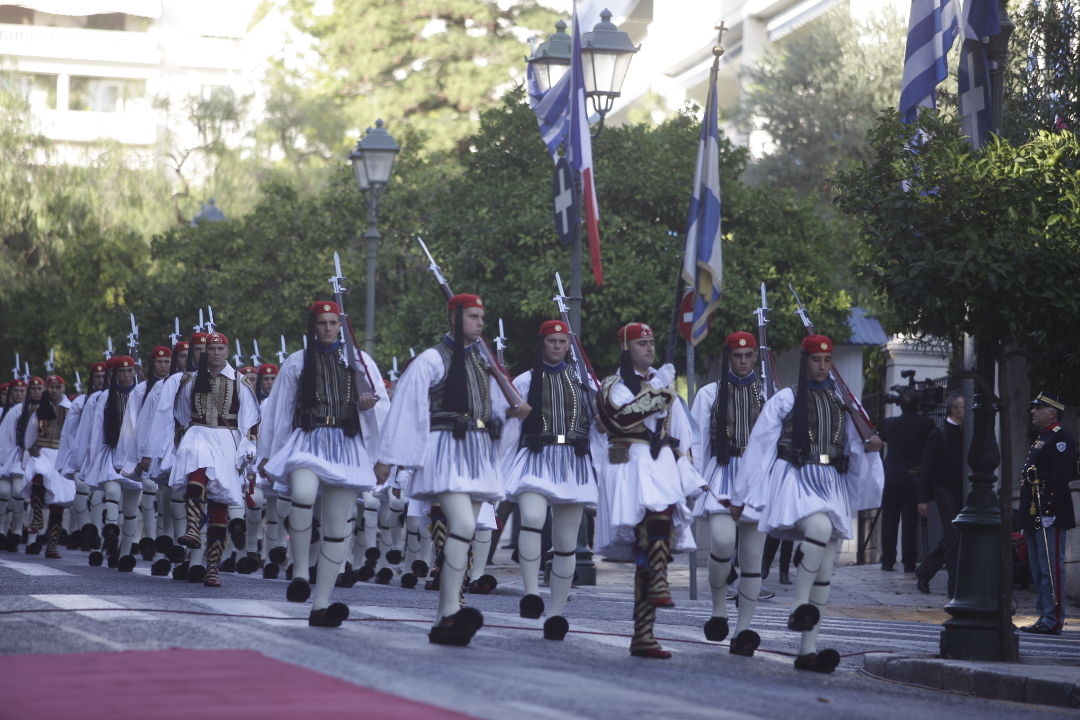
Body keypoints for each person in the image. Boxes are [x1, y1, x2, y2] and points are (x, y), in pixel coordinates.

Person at [373, 293, 527, 646]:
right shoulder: (431, 359)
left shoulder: (481, 361)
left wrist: (512, 413)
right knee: (462, 525)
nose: (480, 324)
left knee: (466, 529)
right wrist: (388, 459)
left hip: (477, 453)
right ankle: (448, 612)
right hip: (444, 451)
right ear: (454, 319)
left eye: (482, 318)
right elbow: (406, 409)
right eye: (473, 317)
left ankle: (450, 611)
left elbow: (493, 409)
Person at [735, 334, 883, 673]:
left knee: (825, 569)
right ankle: (797, 607)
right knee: (818, 528)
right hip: (795, 478)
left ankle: (808, 651)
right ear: (806, 362)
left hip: (830, 482)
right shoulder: (786, 398)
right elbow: (759, 447)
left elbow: (855, 447)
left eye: (827, 360)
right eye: (816, 360)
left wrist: (871, 448)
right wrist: (743, 496)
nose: (822, 366)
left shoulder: (843, 401)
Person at [258, 302, 386, 625]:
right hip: (308, 440)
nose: (328, 328)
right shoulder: (297, 362)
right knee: (301, 494)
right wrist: (268, 453)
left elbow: (382, 410)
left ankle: (322, 605)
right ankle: (300, 570)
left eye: (333, 323)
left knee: (334, 529)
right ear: (313, 326)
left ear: (340, 325)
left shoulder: (360, 361)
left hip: (345, 445)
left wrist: (370, 410)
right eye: (322, 323)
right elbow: (280, 411)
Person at [594, 322, 702, 659]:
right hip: (629, 465)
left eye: (652, 342)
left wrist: (691, 475)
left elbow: (679, 436)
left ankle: (644, 634)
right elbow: (620, 418)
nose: (650, 348)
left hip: (659, 466)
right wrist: (658, 388)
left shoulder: (664, 385)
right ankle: (658, 580)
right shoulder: (612, 384)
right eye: (642, 344)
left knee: (654, 539)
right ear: (627, 348)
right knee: (656, 521)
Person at [500, 320, 596, 640]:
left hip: (573, 462)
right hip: (536, 457)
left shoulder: (584, 381)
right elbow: (510, 430)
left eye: (562, 341)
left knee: (566, 543)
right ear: (542, 343)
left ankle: (555, 614)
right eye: (551, 341)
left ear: (569, 345)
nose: (557, 346)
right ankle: (531, 594)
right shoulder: (525, 381)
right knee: (532, 517)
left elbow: (600, 423)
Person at [690, 331, 767, 655]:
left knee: (752, 558)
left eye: (749, 355)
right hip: (723, 472)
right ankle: (719, 609)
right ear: (729, 357)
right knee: (722, 540)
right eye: (738, 356)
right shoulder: (710, 393)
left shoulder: (769, 393)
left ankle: (743, 630)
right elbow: (697, 441)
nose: (744, 361)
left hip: (757, 481)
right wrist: (698, 482)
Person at [171, 332, 260, 587]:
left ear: (228, 352)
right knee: (197, 467)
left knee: (219, 502)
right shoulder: (190, 380)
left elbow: (251, 421)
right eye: (212, 349)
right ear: (205, 352)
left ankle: (212, 567)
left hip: (226, 440)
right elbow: (181, 414)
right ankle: (191, 529)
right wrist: (183, 441)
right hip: (199, 433)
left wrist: (247, 450)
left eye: (221, 349)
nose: (216, 353)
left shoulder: (239, 381)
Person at [1018, 391, 1076, 635]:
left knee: (1052, 568)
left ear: (1051, 412)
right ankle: (1044, 615)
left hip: (1047, 512)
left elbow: (1060, 477)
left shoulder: (1061, 438)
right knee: (1039, 568)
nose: (1033, 411)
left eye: (1038, 408)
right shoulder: (1043, 438)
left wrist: (1049, 510)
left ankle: (1053, 619)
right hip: (1035, 513)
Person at [877, 391, 934, 572]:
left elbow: (882, 438)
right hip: (912, 477)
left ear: (899, 405)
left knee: (889, 521)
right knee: (910, 522)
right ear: (918, 406)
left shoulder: (889, 423)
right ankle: (909, 561)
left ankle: (888, 561)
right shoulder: (926, 424)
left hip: (891, 476)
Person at [914, 392, 964, 597]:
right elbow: (926, 468)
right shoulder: (939, 433)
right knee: (954, 535)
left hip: (962, 491)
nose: (967, 409)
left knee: (955, 536)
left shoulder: (968, 431)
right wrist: (922, 499)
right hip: (944, 491)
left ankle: (924, 572)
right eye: (963, 406)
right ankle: (954, 588)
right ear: (953, 409)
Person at [22, 375, 74, 558]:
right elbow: (30, 434)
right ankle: (37, 515)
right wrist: (31, 449)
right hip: (43, 453)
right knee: (38, 475)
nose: (54, 390)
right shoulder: (39, 410)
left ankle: (52, 544)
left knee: (57, 501)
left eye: (58, 387)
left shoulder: (71, 410)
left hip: (61, 457)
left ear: (64, 388)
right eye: (51, 387)